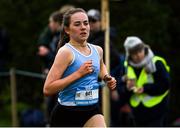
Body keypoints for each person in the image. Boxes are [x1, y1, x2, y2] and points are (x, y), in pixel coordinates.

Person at [43, 8, 116, 127]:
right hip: (67, 114)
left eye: (85, 23)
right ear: (67, 29)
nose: (83, 27)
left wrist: (106, 77)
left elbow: (101, 65)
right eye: (77, 24)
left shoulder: (98, 50)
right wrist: (78, 74)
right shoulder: (65, 52)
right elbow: (48, 89)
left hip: (92, 110)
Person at [121, 36, 171, 126]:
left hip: (157, 110)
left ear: (144, 49)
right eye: (134, 53)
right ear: (129, 55)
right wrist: (127, 88)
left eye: (140, 51)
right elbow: (121, 88)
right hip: (137, 113)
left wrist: (145, 89)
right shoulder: (126, 66)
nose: (138, 55)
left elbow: (165, 84)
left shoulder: (156, 62)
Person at [87, 9, 124, 126]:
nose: (91, 24)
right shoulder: (86, 39)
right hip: (91, 84)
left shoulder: (106, 39)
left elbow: (117, 62)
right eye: (88, 21)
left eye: (94, 20)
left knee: (107, 115)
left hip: (105, 85)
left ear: (100, 22)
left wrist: (113, 85)